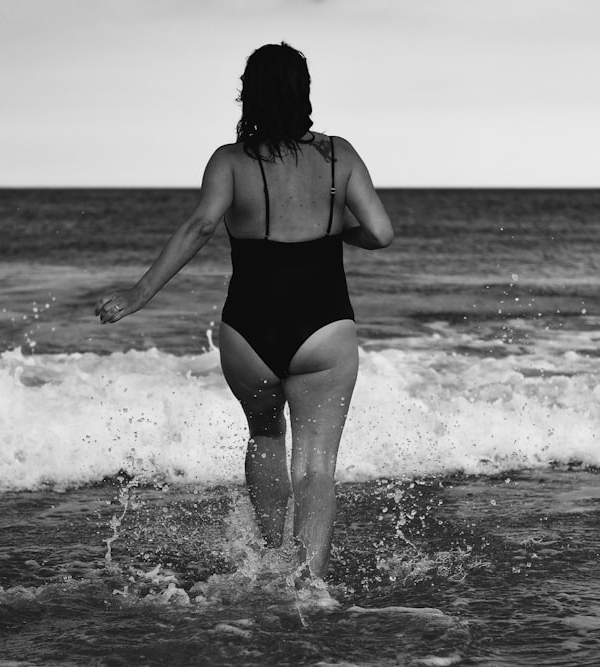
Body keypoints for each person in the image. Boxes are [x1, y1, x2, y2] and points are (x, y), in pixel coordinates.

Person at [95, 42, 393, 581]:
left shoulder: (229, 161)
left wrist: (139, 295)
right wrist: (332, 233)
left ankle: (271, 562)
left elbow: (201, 227)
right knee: (316, 468)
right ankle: (307, 588)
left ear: (247, 94)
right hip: (323, 328)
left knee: (265, 436)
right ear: (304, 93)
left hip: (247, 332)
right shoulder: (339, 155)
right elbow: (381, 231)